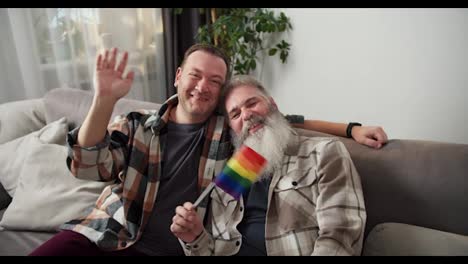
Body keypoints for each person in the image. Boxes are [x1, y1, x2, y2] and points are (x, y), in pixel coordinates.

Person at [30, 44, 377, 256]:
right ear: (178, 76)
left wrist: (351, 128)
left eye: (215, 81)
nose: (203, 87)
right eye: (195, 76)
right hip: (106, 234)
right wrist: (104, 100)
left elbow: (279, 120)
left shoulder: (230, 131)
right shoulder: (137, 123)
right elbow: (87, 166)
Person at [171, 75, 366, 256]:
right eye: (236, 114)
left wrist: (351, 128)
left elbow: (341, 237)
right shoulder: (235, 172)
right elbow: (212, 250)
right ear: (231, 127)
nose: (246, 115)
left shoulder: (323, 153)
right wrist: (195, 237)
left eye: (252, 103)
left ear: (273, 104)